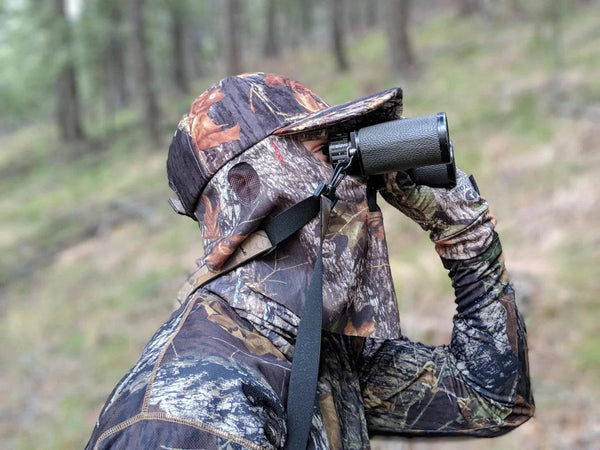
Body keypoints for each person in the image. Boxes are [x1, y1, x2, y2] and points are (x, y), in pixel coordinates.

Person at [85, 72, 534, 450]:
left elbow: (491, 399)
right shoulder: (189, 408)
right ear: (248, 190)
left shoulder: (315, 346)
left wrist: (465, 232)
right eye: (328, 154)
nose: (359, 183)